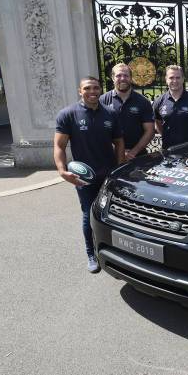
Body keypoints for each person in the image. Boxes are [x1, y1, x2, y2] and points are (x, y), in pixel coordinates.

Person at [53, 76, 124, 273]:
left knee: (112, 214)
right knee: (88, 214)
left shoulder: (110, 113)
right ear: (80, 91)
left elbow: (119, 142)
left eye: (96, 88)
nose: (92, 91)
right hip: (84, 177)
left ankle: (113, 250)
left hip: (109, 176)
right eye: (87, 88)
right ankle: (91, 253)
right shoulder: (68, 114)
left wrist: (119, 168)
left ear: (101, 90)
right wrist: (61, 170)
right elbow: (59, 145)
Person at [100, 63, 154, 159]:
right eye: (118, 75)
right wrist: (119, 151)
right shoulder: (102, 101)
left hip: (137, 155)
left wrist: (132, 153)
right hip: (110, 155)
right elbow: (98, 130)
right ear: (113, 78)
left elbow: (149, 131)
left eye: (126, 75)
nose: (122, 78)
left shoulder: (143, 102)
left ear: (131, 78)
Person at [152, 65, 188, 149]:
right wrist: (166, 136)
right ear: (166, 79)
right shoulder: (159, 101)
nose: (175, 81)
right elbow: (157, 122)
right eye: (171, 78)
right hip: (168, 149)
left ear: (183, 79)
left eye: (178, 77)